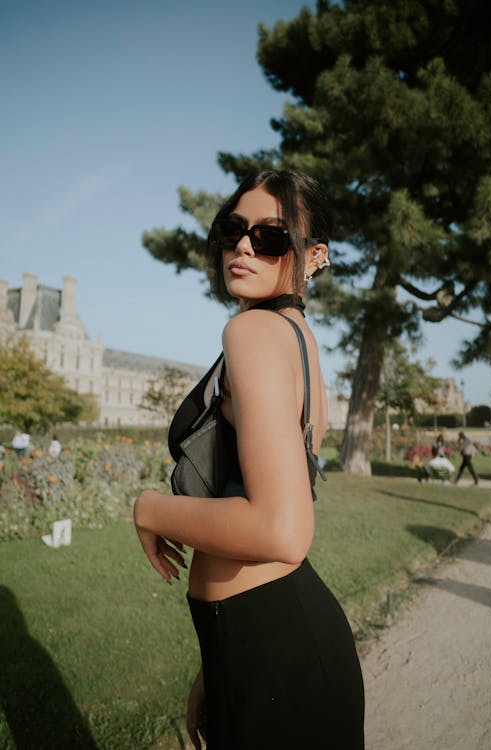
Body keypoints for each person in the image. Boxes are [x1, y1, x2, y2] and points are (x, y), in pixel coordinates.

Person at [134, 170, 365, 749]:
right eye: (234, 230)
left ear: (314, 258)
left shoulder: (254, 332)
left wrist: (149, 508)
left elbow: (282, 531)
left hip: (276, 654)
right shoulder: (298, 336)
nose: (243, 246)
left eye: (270, 236)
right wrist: (217, 664)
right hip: (263, 645)